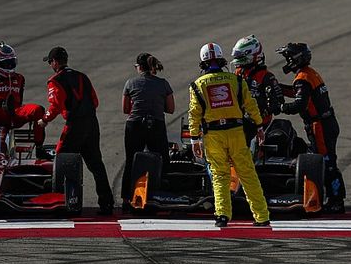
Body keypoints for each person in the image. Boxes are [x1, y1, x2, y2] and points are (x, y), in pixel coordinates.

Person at [188, 42, 270, 227]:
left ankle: (222, 215)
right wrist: (259, 126)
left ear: (203, 62)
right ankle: (262, 216)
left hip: (213, 135)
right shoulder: (236, 80)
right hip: (236, 132)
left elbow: (194, 114)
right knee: (248, 174)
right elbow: (251, 105)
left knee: (219, 176)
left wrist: (194, 139)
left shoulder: (196, 85)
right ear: (221, 58)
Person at [38, 46, 114, 216]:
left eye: (50, 62)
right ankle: (107, 203)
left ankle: (60, 201)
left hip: (74, 125)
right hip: (92, 123)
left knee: (60, 160)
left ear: (55, 62)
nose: (50, 65)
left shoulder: (55, 80)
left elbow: (56, 105)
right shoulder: (83, 77)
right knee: (96, 164)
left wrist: (44, 120)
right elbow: (95, 101)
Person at [277, 42, 346, 213]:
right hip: (326, 122)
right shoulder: (309, 73)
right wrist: (279, 88)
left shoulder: (302, 78)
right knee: (326, 160)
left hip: (320, 126)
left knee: (327, 162)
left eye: (287, 57)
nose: (286, 61)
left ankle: (336, 201)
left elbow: (300, 104)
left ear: (295, 59)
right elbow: (300, 93)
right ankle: (333, 197)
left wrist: (280, 107)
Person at [121, 52, 174, 211]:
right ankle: (165, 196)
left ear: (139, 67)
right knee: (163, 160)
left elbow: (125, 109)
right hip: (156, 125)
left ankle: (126, 198)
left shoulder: (130, 83)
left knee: (131, 160)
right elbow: (171, 109)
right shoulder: (163, 84)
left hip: (135, 125)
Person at [231, 35, 283, 150]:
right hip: (237, 121)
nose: (237, 59)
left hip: (259, 124)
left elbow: (277, 104)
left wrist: (264, 112)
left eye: (239, 56)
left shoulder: (267, 77)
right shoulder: (237, 73)